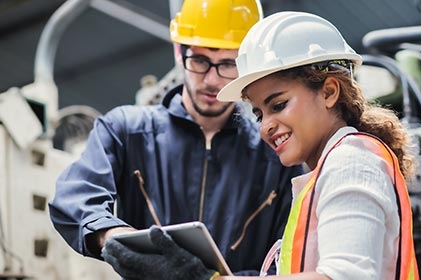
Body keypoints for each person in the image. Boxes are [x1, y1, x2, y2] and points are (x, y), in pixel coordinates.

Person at [48, 1, 303, 278]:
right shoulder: (126, 130)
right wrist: (112, 236)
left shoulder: (274, 152)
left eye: (228, 64)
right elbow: (75, 197)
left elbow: (286, 261)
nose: (211, 80)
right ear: (179, 51)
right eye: (200, 61)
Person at [214, 11, 420, 279]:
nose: (265, 126)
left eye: (279, 105)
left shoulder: (351, 162)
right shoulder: (331, 169)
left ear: (329, 92)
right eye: (259, 114)